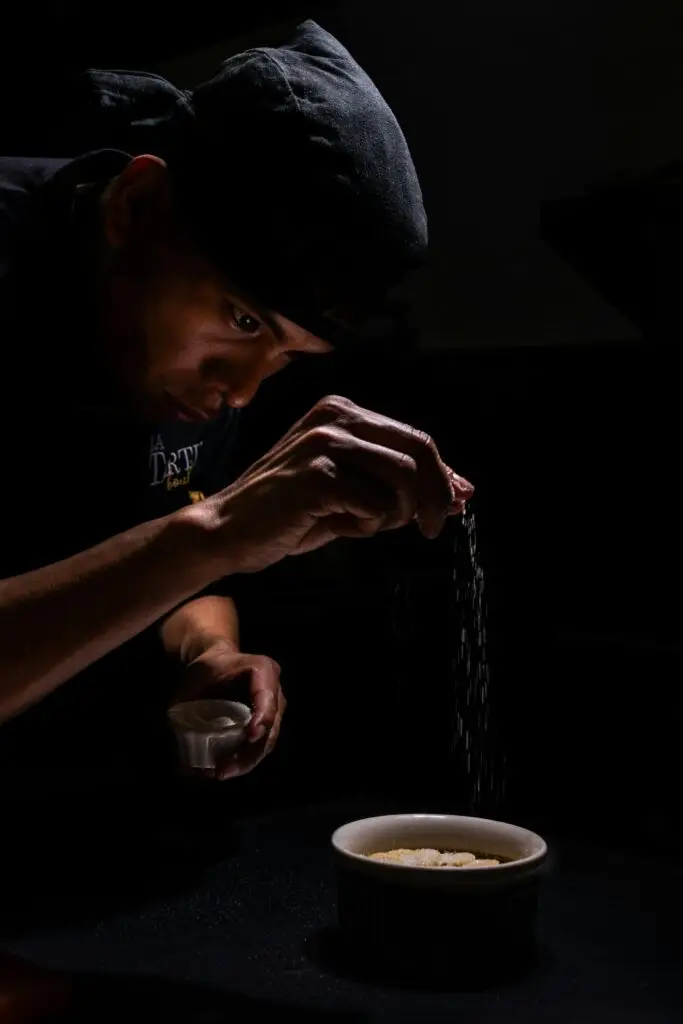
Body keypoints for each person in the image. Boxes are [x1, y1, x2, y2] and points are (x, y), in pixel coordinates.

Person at [0, 20, 473, 792]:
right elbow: (188, 540)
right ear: (137, 204)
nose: (246, 388)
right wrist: (213, 536)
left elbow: (166, 551)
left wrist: (206, 651)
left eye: (284, 354)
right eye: (243, 320)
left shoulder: (193, 365)